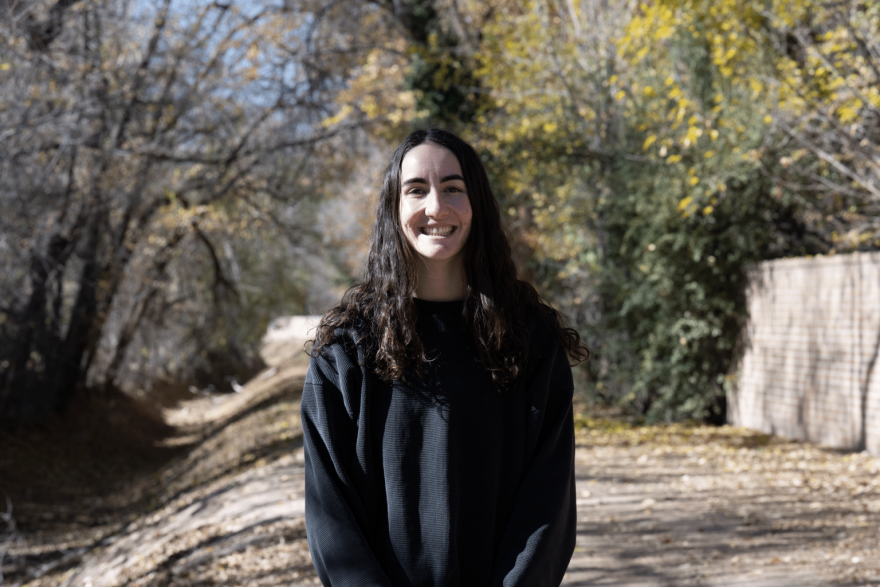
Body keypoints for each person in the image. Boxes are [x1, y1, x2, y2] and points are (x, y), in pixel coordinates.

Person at [302, 128, 589, 586]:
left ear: (477, 206)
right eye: (416, 190)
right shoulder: (347, 350)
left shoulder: (531, 341)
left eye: (453, 188)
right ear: (394, 210)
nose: (436, 207)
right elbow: (331, 516)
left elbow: (547, 506)